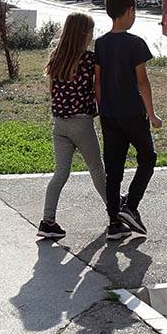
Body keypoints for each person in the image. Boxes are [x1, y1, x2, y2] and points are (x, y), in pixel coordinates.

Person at [95, 0, 163, 241]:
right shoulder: (135, 44)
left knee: (114, 169)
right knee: (148, 157)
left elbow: (98, 82)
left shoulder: (100, 44)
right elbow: (142, 82)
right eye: (134, 11)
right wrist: (152, 114)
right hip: (134, 113)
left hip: (109, 115)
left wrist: (103, 109)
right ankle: (131, 206)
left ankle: (114, 223)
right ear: (129, 11)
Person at [38, 13, 107, 239]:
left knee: (60, 173)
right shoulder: (88, 59)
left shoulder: (56, 57)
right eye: (90, 31)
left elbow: (52, 91)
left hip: (59, 124)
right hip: (81, 123)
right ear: (83, 33)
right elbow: (97, 89)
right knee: (97, 169)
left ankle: (47, 221)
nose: (92, 35)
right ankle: (115, 212)